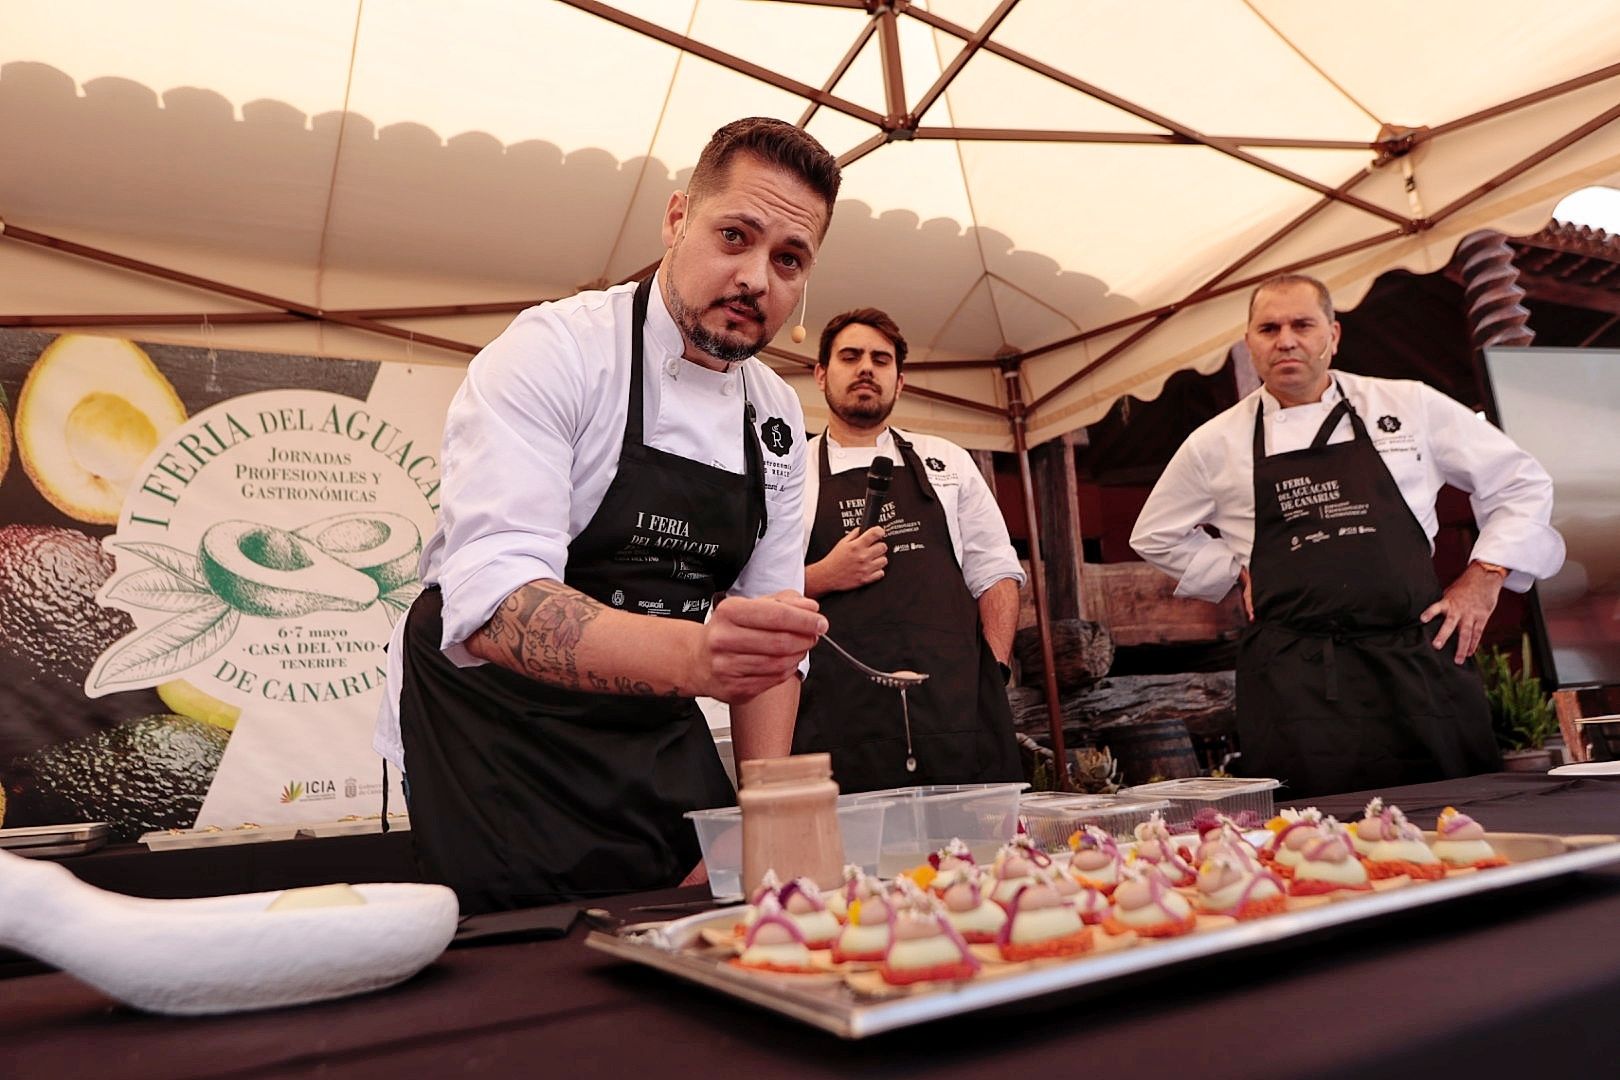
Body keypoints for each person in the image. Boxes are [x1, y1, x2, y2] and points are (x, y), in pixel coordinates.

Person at [374, 118, 840, 913]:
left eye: (788, 259)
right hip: (492, 726)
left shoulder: (775, 416)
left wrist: (758, 813)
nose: (757, 278)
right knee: (532, 956)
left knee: (707, 920)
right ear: (676, 219)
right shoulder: (556, 352)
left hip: (643, 720)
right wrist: (699, 658)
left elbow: (771, 632)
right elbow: (490, 604)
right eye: (735, 235)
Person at [1131, 273, 1565, 798]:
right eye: (1268, 328)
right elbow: (1155, 532)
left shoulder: (1408, 405)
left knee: (1462, 811)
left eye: (1302, 324)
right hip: (1296, 680)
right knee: (1319, 834)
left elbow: (1519, 481)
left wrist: (1486, 573)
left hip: (1418, 657)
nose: (1286, 339)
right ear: (1249, 344)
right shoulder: (1214, 442)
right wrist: (1233, 569)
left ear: (1332, 336)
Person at [792, 307, 1024, 792]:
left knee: (972, 860)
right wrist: (822, 576)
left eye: (881, 359)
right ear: (820, 375)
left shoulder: (949, 462)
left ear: (899, 382)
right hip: (841, 716)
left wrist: (993, 672)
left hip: (955, 708)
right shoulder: (791, 472)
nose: (866, 369)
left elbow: (996, 572)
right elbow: (750, 588)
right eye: (850, 356)